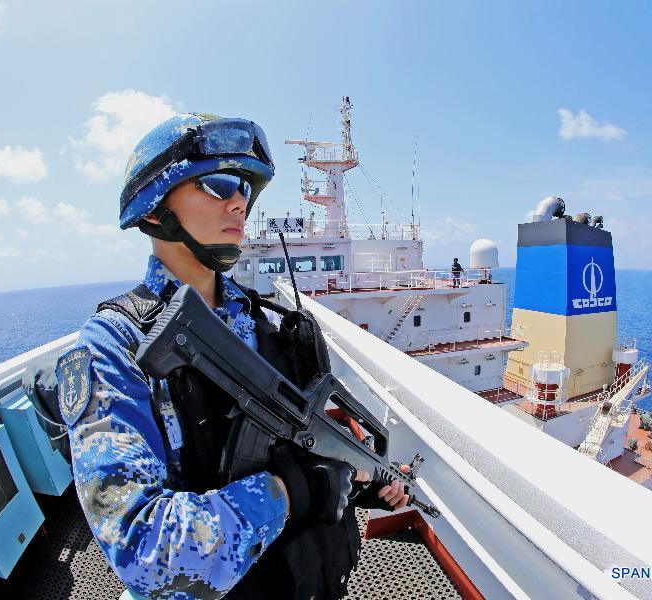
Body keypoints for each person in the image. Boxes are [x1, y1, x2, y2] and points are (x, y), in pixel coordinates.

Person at [57, 113, 409, 599]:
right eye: (218, 183)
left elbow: (306, 447)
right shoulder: (114, 348)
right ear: (155, 209)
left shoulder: (272, 323)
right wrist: (292, 490)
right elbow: (145, 552)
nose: (239, 201)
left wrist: (359, 479)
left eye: (244, 187)